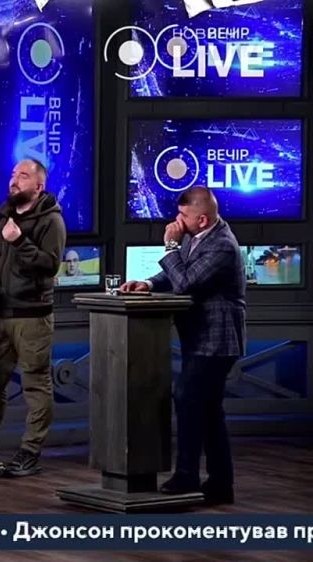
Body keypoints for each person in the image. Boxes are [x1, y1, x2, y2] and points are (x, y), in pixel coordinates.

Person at [120, 186, 245, 505]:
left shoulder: (222, 245)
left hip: (216, 340)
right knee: (208, 410)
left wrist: (170, 245)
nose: (176, 222)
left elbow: (187, 283)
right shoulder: (198, 237)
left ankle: (187, 476)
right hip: (199, 338)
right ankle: (220, 484)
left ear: (202, 219)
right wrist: (148, 283)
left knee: (188, 399)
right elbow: (181, 273)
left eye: (182, 215)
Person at [0, 159, 66, 476]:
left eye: (23, 176)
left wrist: (19, 240)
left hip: (32, 316)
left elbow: (50, 264)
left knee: (36, 385)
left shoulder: (52, 221)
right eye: (12, 174)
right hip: (0, 313)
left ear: (39, 186)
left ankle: (30, 451)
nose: (14, 180)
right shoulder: (5, 214)